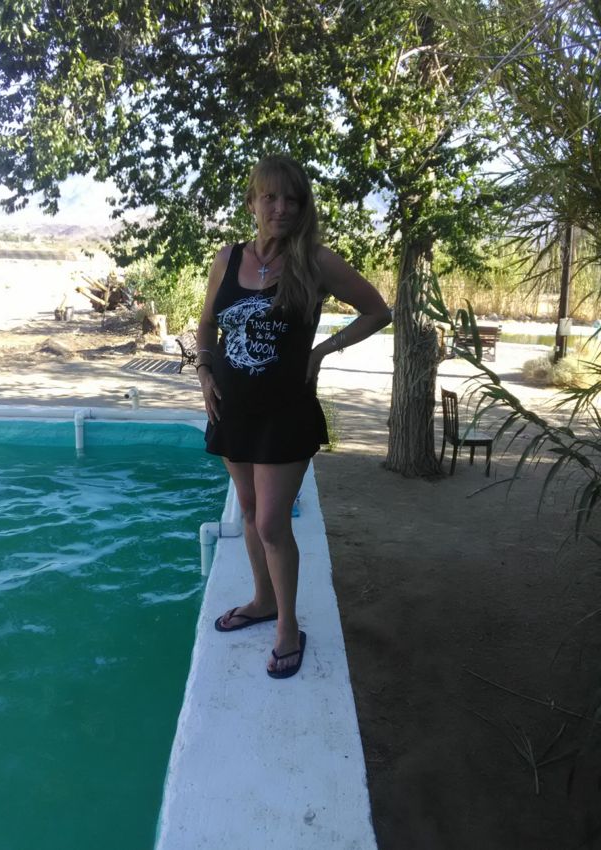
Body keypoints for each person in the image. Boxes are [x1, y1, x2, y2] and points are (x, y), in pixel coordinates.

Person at [196, 154, 391, 679]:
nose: (281, 208)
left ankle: (287, 627)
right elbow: (208, 323)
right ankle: (262, 600)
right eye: (271, 197)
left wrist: (323, 350)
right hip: (232, 409)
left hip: (285, 412)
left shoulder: (316, 262)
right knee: (248, 510)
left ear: (303, 207)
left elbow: (378, 310)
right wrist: (205, 371)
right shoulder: (227, 258)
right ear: (252, 202)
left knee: (271, 522)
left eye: (293, 199)